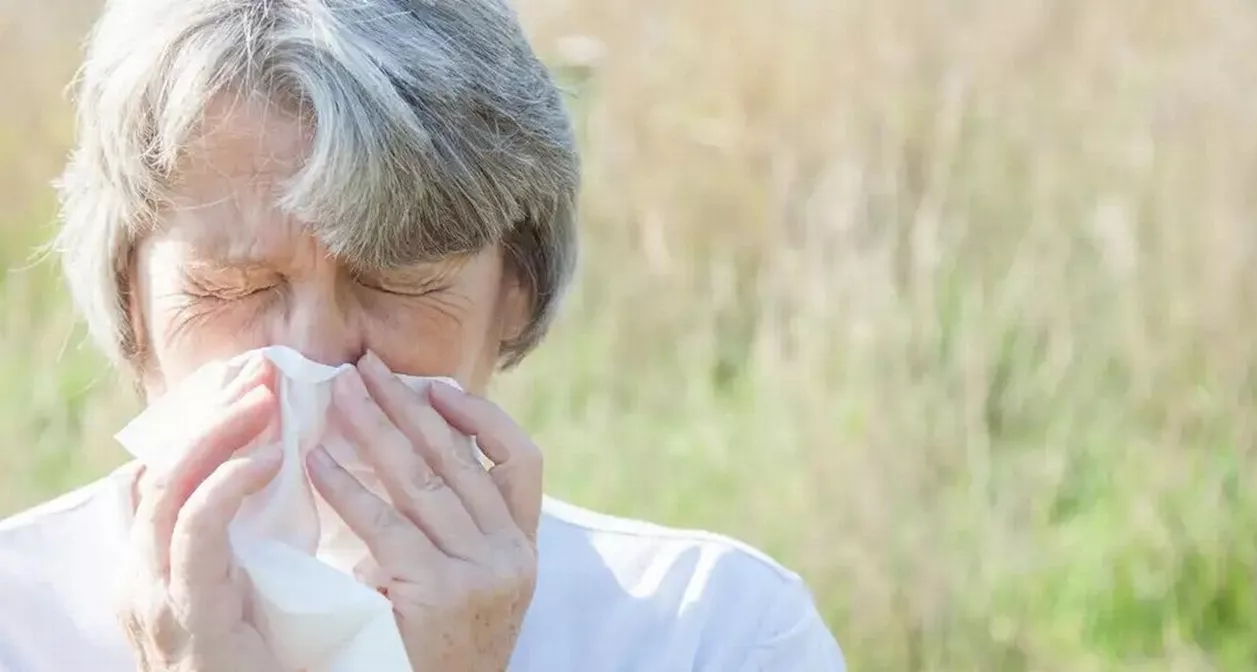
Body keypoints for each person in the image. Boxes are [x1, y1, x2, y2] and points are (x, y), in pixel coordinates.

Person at [0, 0, 845, 670]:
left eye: (395, 280)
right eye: (237, 286)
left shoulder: (712, 634)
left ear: (516, 292)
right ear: (131, 301)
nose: (316, 354)